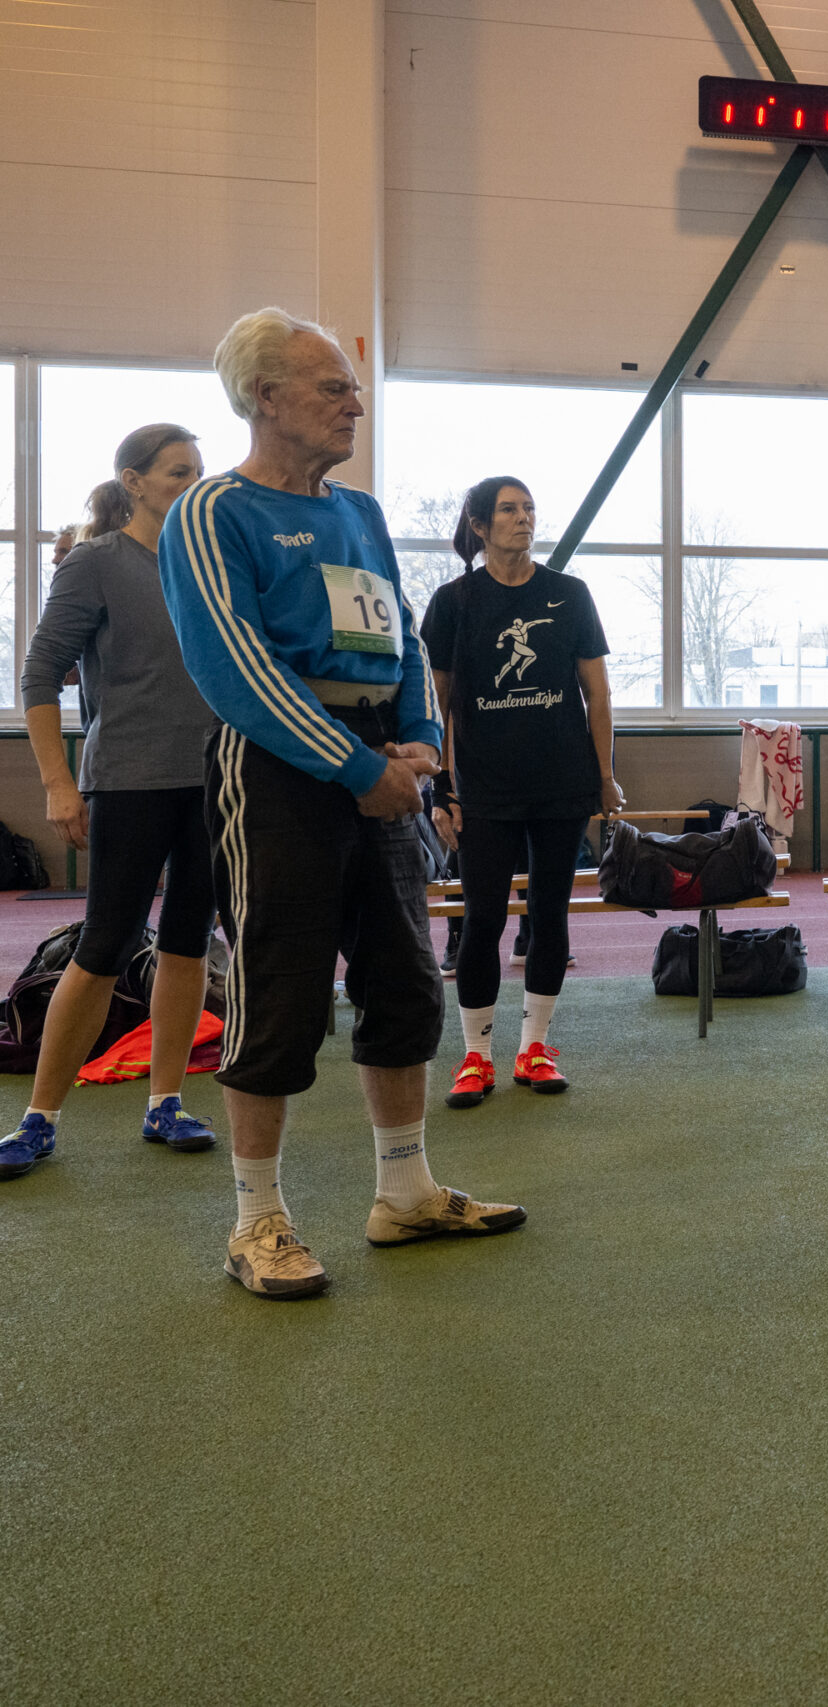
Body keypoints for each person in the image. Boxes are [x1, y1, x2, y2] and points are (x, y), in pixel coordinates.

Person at [160, 307, 523, 1301]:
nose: (354, 404)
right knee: (279, 991)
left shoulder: (358, 512)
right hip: (278, 772)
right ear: (265, 397)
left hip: (382, 768)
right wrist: (358, 770)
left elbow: (400, 634)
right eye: (333, 387)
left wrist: (420, 738)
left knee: (405, 980)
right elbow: (235, 667)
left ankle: (404, 1193)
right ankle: (256, 1223)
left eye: (354, 388)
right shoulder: (212, 511)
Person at [3, 426, 225, 1182]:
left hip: (212, 779)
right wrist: (56, 783)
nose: (192, 483)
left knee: (188, 942)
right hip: (128, 778)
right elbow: (39, 675)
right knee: (105, 944)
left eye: (199, 471)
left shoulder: (212, 564)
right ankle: (39, 1118)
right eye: (177, 472)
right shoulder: (96, 562)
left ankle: (166, 1102)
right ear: (133, 481)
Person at [420, 476, 621, 1108]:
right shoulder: (453, 602)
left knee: (548, 915)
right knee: (482, 919)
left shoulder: (570, 594)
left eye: (529, 508)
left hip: (562, 783)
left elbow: (597, 693)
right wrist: (442, 789)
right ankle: (475, 1055)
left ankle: (535, 1048)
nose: (523, 518)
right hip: (484, 791)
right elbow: (435, 702)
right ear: (480, 526)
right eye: (508, 509)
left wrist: (605, 776)